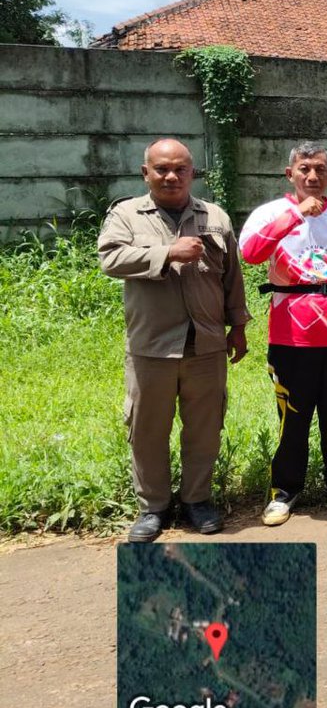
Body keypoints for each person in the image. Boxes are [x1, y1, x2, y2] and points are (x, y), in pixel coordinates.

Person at [98, 138, 249, 542]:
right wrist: (166, 253)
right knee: (148, 429)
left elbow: (232, 278)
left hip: (207, 345)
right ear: (145, 172)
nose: (171, 176)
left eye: (180, 169)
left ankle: (197, 501)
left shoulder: (213, 216)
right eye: (162, 169)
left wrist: (239, 326)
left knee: (204, 428)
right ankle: (154, 507)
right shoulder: (127, 215)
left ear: (192, 172)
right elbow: (110, 258)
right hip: (152, 346)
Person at [239, 141, 327, 526]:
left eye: (320, 169)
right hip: (290, 335)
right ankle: (284, 491)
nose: (312, 176)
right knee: (293, 416)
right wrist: (295, 215)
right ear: (290, 174)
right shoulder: (271, 214)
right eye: (304, 169)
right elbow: (249, 252)